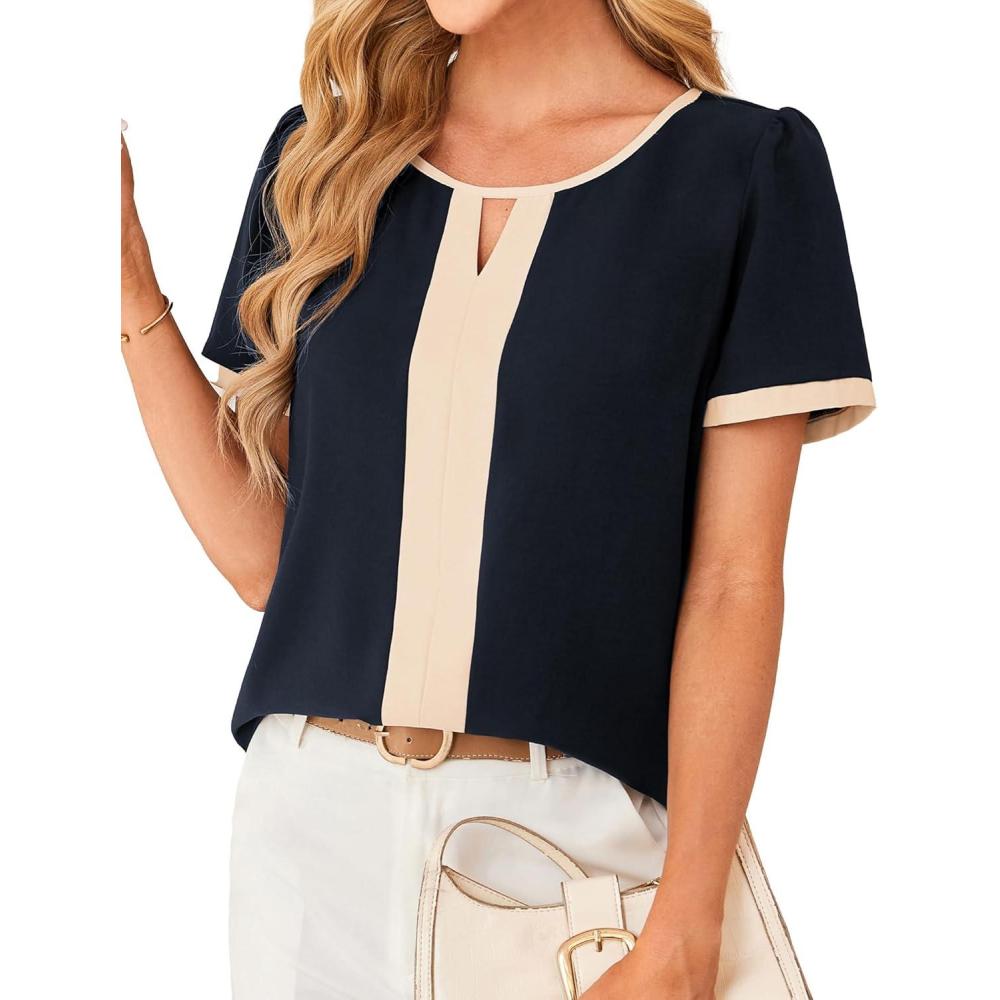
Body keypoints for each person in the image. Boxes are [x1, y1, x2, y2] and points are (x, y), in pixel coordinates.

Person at [120, 0, 874, 996]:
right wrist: (129, 291)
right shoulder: (325, 158)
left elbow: (734, 581)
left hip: (566, 855)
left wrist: (688, 922)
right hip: (309, 836)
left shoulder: (740, 169)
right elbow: (268, 563)